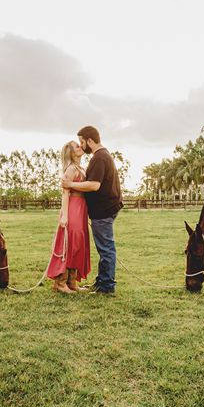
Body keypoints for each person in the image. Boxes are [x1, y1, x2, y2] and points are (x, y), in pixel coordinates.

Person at [62, 126, 123, 294]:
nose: (82, 146)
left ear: (89, 140)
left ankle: (106, 286)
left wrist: (70, 184)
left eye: (82, 142)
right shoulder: (102, 156)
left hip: (103, 211)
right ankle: (102, 281)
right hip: (104, 209)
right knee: (104, 248)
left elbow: (94, 185)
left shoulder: (99, 157)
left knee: (106, 249)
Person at [46, 140, 92, 293]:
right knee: (69, 242)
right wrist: (64, 215)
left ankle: (72, 282)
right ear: (71, 153)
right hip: (72, 207)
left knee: (77, 243)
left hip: (81, 209)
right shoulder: (71, 169)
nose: (80, 147)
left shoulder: (82, 168)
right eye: (76, 146)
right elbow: (65, 192)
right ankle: (60, 283)